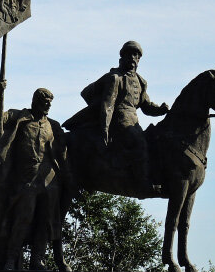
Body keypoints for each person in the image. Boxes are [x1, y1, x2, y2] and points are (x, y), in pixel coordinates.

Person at [0, 82, 69, 271]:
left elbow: (63, 151)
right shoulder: (17, 117)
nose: (47, 106)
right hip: (25, 179)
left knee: (45, 221)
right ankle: (11, 260)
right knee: (23, 218)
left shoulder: (52, 126)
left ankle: (38, 260)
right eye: (44, 102)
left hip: (49, 180)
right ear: (35, 101)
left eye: (49, 103)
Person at [63, 40, 169, 193]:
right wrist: (104, 128)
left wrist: (161, 110)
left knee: (152, 140)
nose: (133, 57)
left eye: (136, 55)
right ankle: (142, 183)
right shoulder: (115, 78)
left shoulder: (140, 82)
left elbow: (146, 106)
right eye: (130, 54)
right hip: (119, 119)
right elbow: (108, 105)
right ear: (123, 57)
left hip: (134, 120)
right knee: (138, 141)